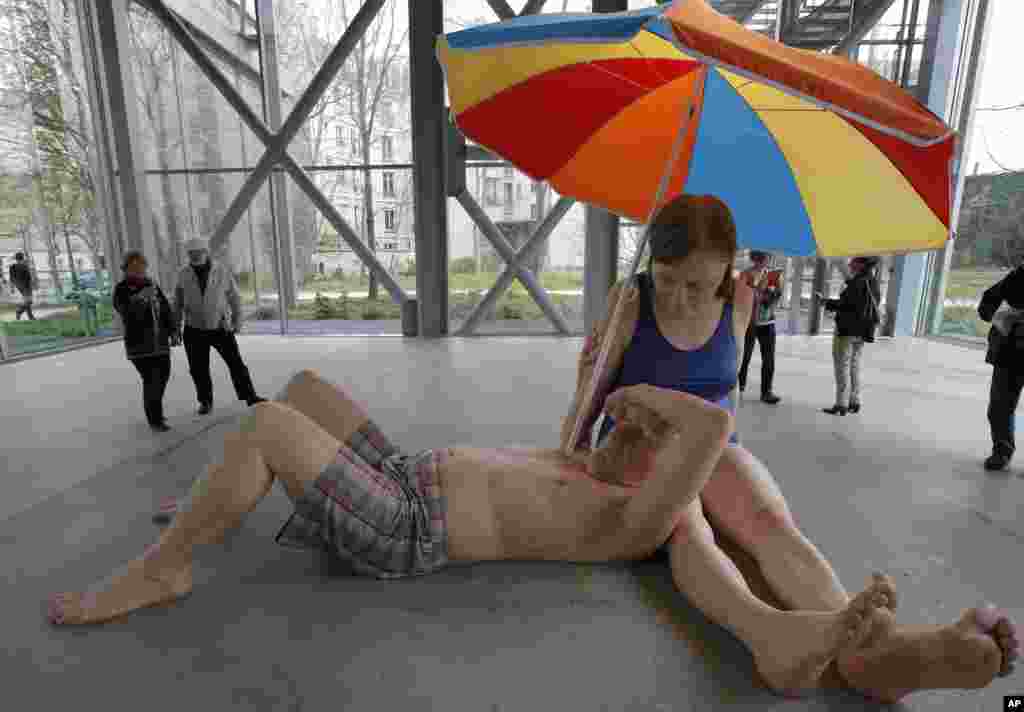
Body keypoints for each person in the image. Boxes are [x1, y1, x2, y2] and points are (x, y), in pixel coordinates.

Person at [47, 370, 1018, 704]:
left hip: (405, 522)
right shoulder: (589, 467)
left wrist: (661, 407)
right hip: (403, 471)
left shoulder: (633, 519)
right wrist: (620, 406)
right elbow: (619, 425)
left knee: (262, 423)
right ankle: (215, 500)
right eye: (617, 426)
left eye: (638, 437)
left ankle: (164, 568)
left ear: (662, 476)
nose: (619, 433)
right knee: (298, 393)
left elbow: (708, 436)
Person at [174, 238, 264, 414]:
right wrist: (175, 328)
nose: (195, 256)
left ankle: (250, 396)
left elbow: (234, 298)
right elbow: (177, 302)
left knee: (236, 363)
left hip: (220, 326)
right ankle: (205, 401)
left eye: (198, 252)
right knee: (198, 368)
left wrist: (237, 321)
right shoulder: (183, 273)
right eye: (191, 253)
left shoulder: (221, 271)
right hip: (194, 329)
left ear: (206, 252)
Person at [113, 251, 179, 433]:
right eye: (134, 267)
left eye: (142, 266)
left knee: (163, 376)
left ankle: (155, 412)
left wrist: (173, 331)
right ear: (126, 269)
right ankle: (155, 419)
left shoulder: (152, 285)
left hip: (160, 342)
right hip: (139, 346)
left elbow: (165, 309)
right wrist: (141, 297)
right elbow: (126, 312)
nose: (139, 270)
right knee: (152, 380)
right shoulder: (121, 289)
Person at [817, 256, 881, 416]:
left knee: (842, 366)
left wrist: (825, 302)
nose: (850, 264)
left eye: (853, 262)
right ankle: (854, 401)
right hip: (862, 332)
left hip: (846, 331)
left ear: (861, 265)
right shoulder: (872, 282)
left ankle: (841, 404)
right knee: (854, 365)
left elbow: (845, 305)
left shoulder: (858, 282)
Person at [976, 264, 1024, 471]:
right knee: (999, 407)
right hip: (1009, 354)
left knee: (1000, 407)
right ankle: (1001, 451)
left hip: (1010, 352)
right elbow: (986, 306)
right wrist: (1004, 314)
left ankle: (1002, 451)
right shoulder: (1017, 277)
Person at [738, 250, 783, 404]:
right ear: (756, 258)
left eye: (767, 258)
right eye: (764, 258)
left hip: (768, 321)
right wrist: (757, 290)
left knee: (769, 359)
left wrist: (771, 293)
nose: (766, 260)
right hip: (749, 322)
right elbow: (740, 295)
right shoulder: (745, 275)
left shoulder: (772, 275)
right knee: (744, 356)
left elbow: (777, 296)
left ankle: (767, 392)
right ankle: (739, 386)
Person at [9, 251, 36, 321]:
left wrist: (12, 287)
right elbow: (29, 277)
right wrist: (32, 284)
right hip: (26, 286)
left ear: (16, 258)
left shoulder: (12, 266)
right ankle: (19, 311)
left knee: (27, 301)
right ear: (22, 258)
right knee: (29, 301)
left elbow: (11, 278)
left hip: (19, 286)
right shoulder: (24, 266)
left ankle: (30, 316)